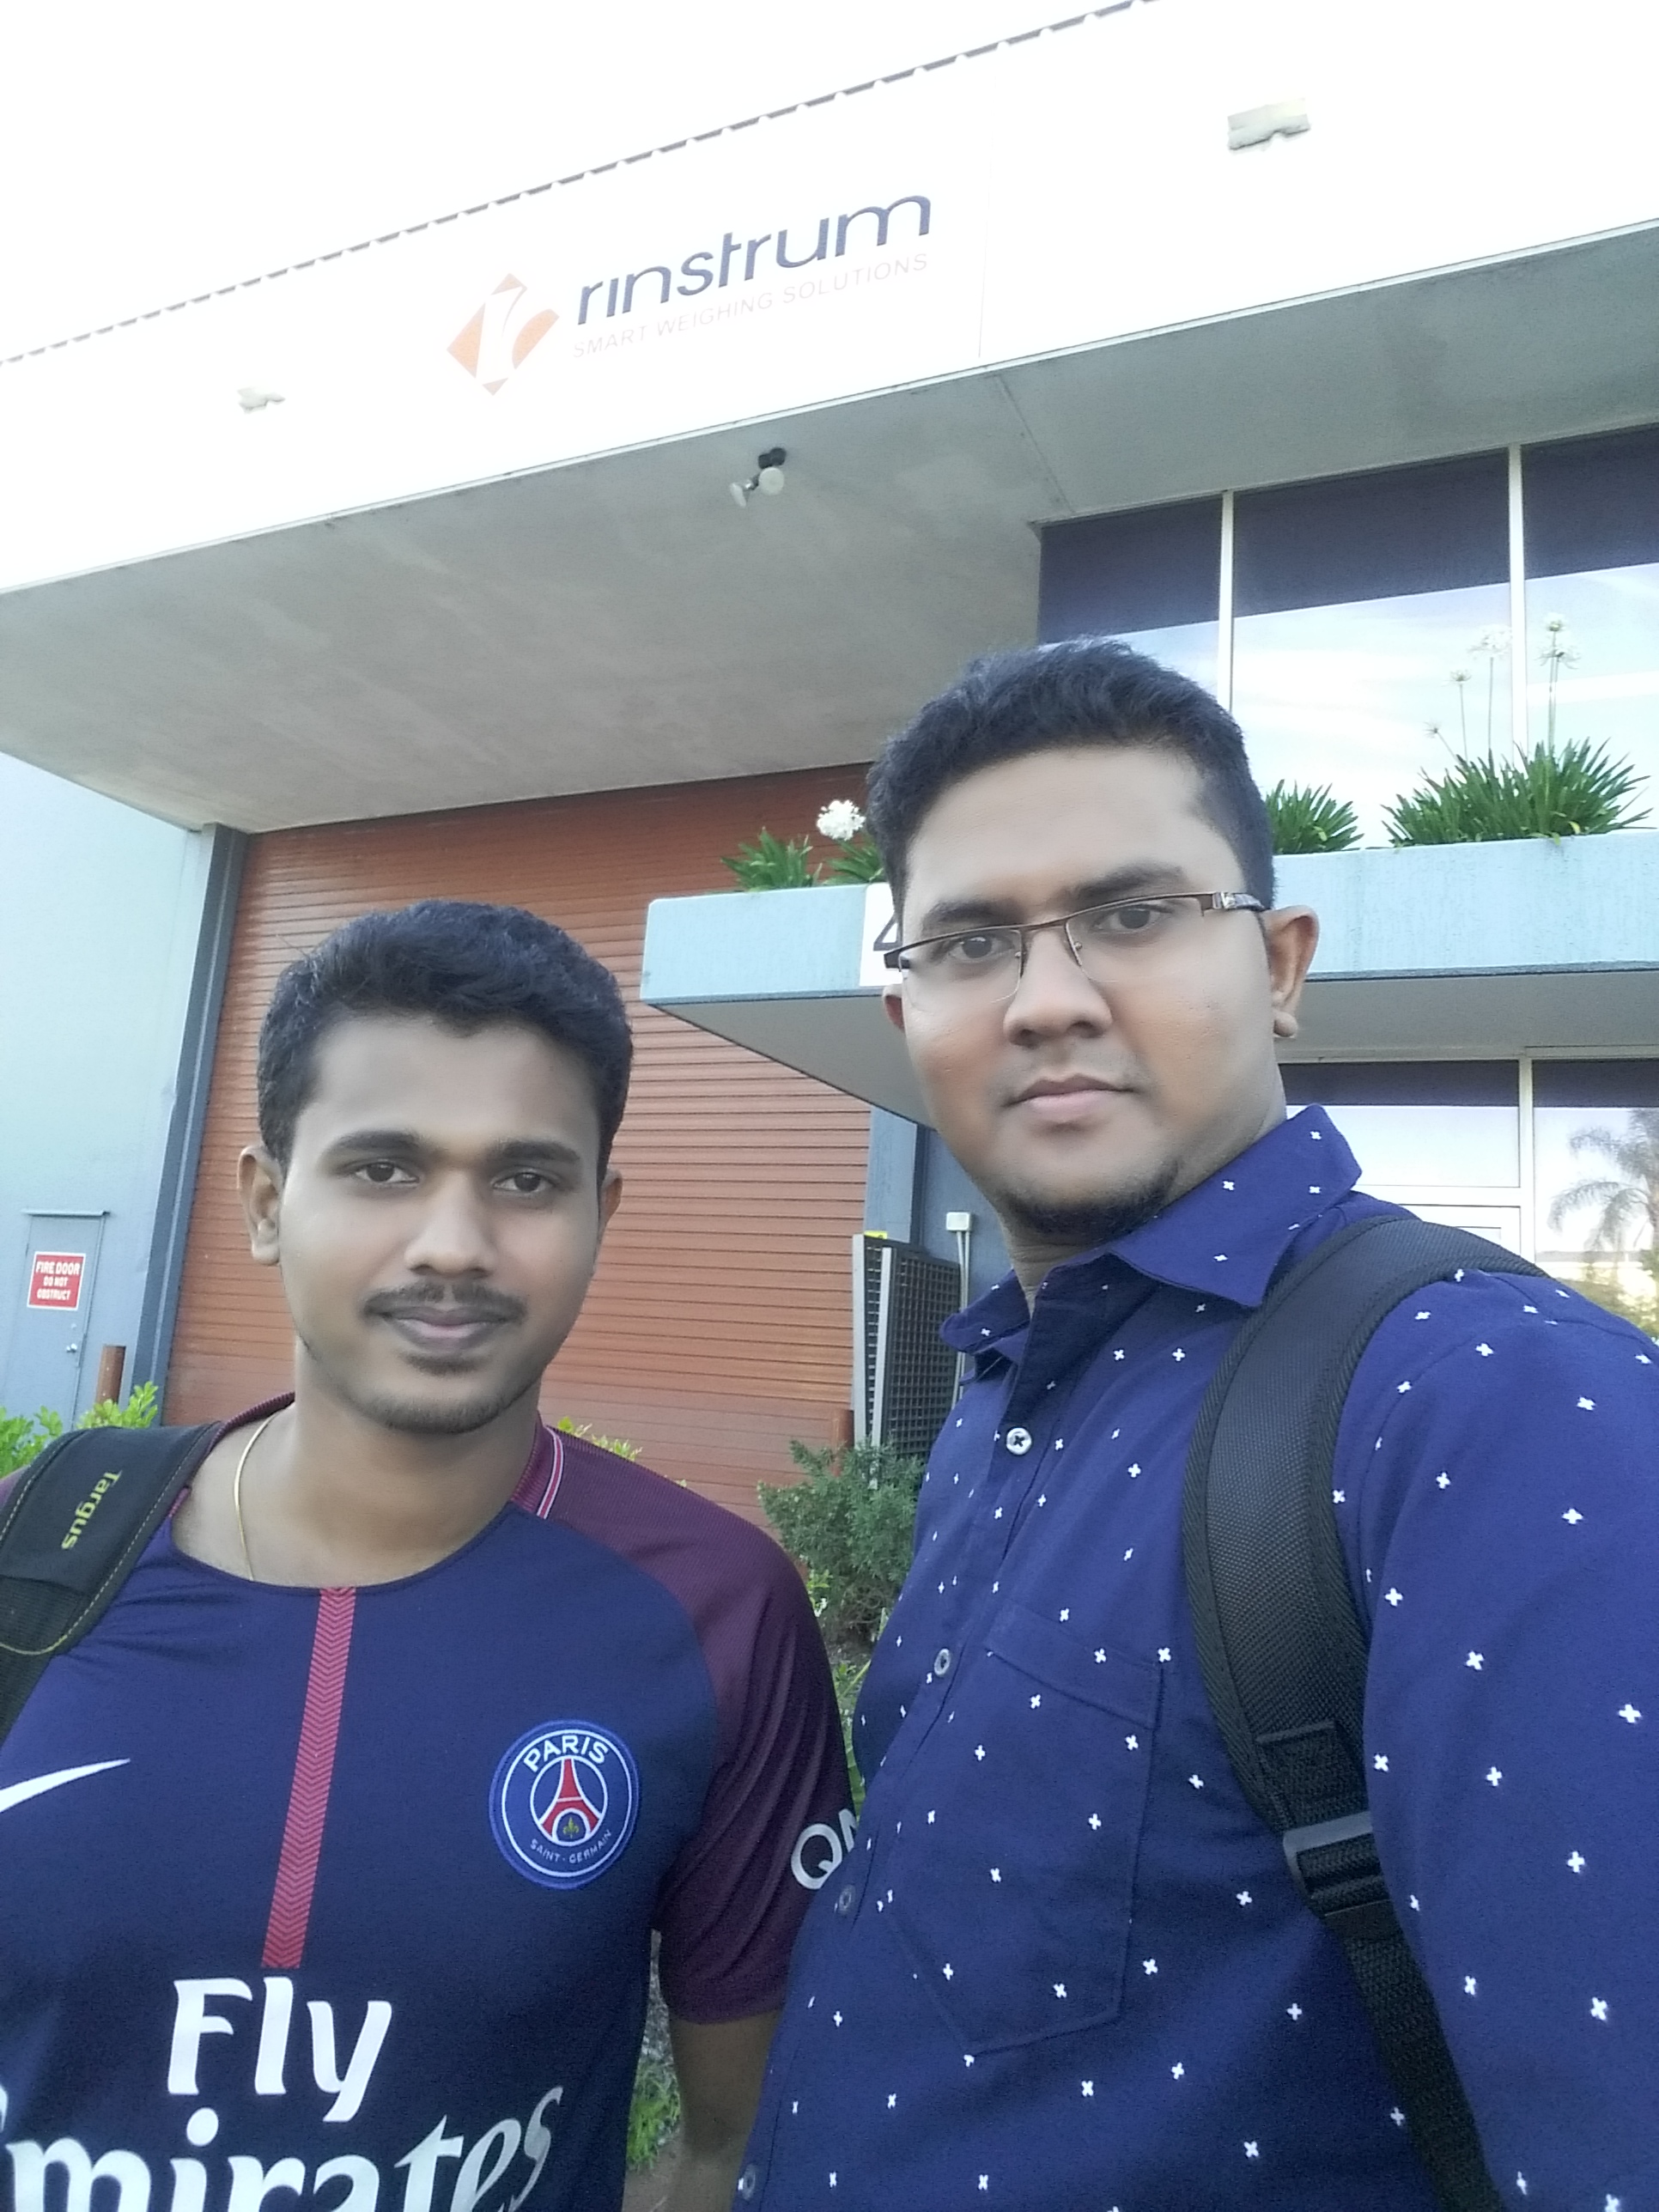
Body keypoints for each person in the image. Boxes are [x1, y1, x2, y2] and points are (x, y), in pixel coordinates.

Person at [740, 641, 1659, 2209]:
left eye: (1133, 914)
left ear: (1281, 966)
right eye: (969, 941)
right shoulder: (1004, 1394)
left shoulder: (1484, 1404)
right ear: (905, 1010)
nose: (1046, 1000)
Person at [0, 900, 850, 2212]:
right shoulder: (33, 1549)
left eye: (528, 1179)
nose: (454, 1243)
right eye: (382, 1168)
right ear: (267, 1202)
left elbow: (738, 2147)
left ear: (601, 1211)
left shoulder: (715, 1613)